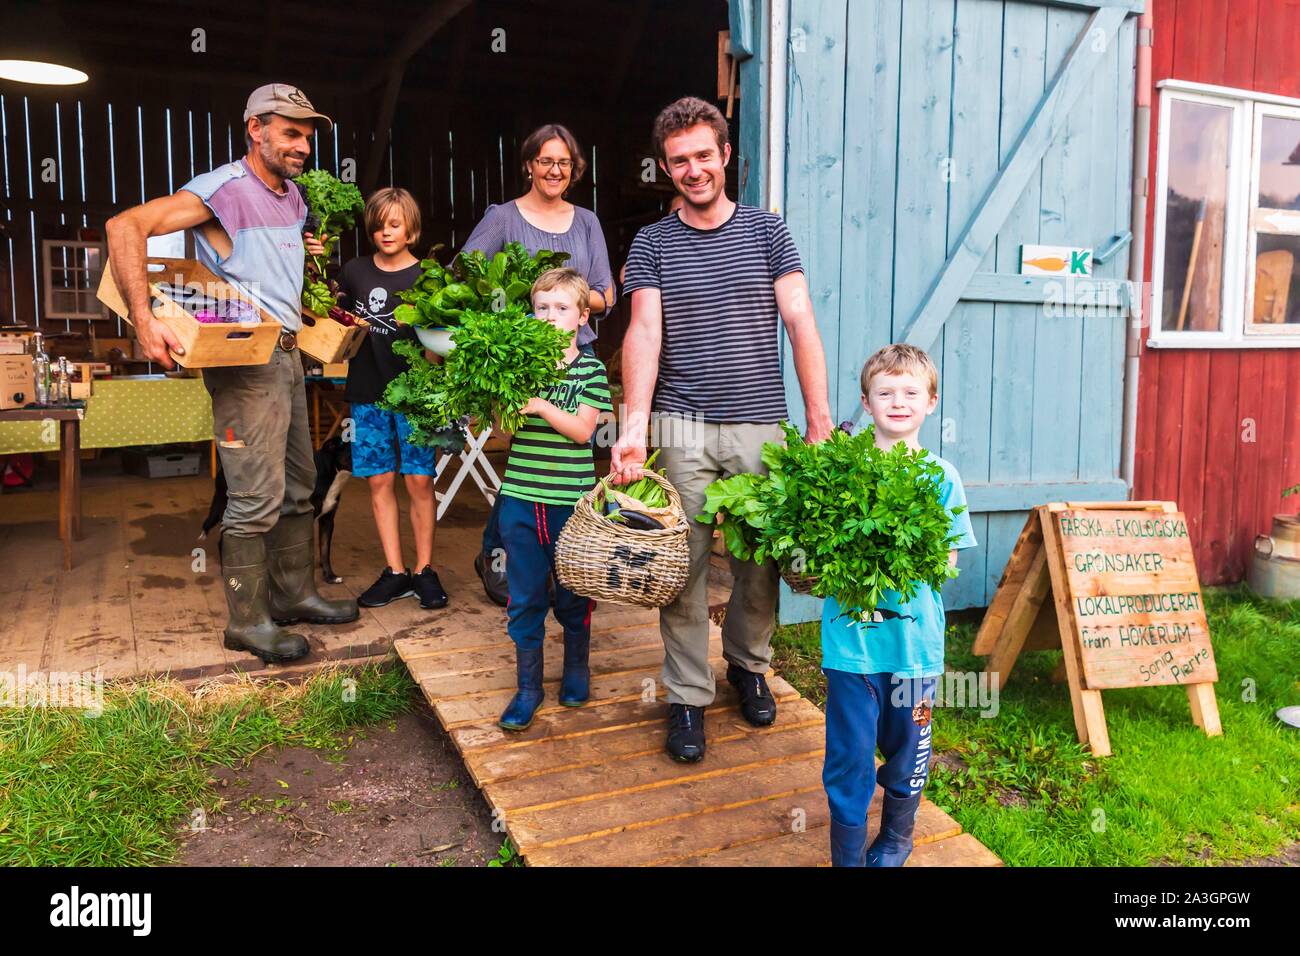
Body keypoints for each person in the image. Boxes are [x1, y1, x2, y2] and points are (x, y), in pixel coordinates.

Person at [611, 96, 834, 763]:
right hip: (681, 428)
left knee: (757, 564)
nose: (694, 169)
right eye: (679, 160)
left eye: (704, 155)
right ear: (666, 167)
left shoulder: (768, 231)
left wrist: (819, 421)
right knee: (681, 567)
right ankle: (685, 695)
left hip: (760, 423)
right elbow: (643, 334)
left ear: (725, 155)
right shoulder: (652, 242)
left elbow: (799, 320)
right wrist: (632, 426)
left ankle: (747, 665)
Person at [105, 84, 358, 664]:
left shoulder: (291, 197)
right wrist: (146, 323)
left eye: (308, 134)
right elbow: (125, 227)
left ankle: (295, 594)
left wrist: (302, 250)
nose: (303, 145)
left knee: (299, 484)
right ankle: (247, 621)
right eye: (290, 132)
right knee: (255, 493)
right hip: (245, 359)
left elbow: (263, 263)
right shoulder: (223, 188)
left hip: (290, 355)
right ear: (256, 129)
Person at [820, 344, 976, 867]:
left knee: (909, 747)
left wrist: (903, 552)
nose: (898, 401)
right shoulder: (843, 472)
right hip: (850, 646)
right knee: (848, 755)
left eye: (911, 392)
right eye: (885, 392)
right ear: (866, 403)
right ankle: (846, 851)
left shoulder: (941, 477)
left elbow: (947, 559)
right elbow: (819, 548)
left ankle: (894, 839)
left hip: (915, 649)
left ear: (931, 402)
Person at [462, 124, 616, 608]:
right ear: (528, 164)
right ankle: (498, 553)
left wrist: (558, 294)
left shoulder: (587, 222)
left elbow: (607, 294)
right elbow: (465, 275)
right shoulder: (504, 219)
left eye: (564, 163)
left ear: (574, 170)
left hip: (576, 353)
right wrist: (519, 304)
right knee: (527, 458)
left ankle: (564, 560)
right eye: (545, 161)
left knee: (569, 458)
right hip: (520, 358)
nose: (555, 170)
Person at [496, 268, 612, 730]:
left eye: (561, 308)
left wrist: (541, 405)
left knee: (574, 591)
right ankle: (528, 688)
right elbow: (505, 431)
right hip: (522, 499)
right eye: (541, 307)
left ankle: (576, 669)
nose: (549, 316)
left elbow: (585, 430)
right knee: (524, 594)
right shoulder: (519, 366)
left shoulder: (591, 369)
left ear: (582, 316)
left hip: (571, 504)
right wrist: (498, 403)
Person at [336, 187, 448, 611]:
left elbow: (442, 340)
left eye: (395, 224)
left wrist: (432, 358)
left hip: (415, 395)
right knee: (380, 480)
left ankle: (424, 570)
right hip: (368, 391)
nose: (387, 231)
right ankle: (395, 571)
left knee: (419, 480)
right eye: (380, 224)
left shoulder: (428, 277)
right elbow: (336, 318)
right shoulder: (354, 271)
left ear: (411, 230)